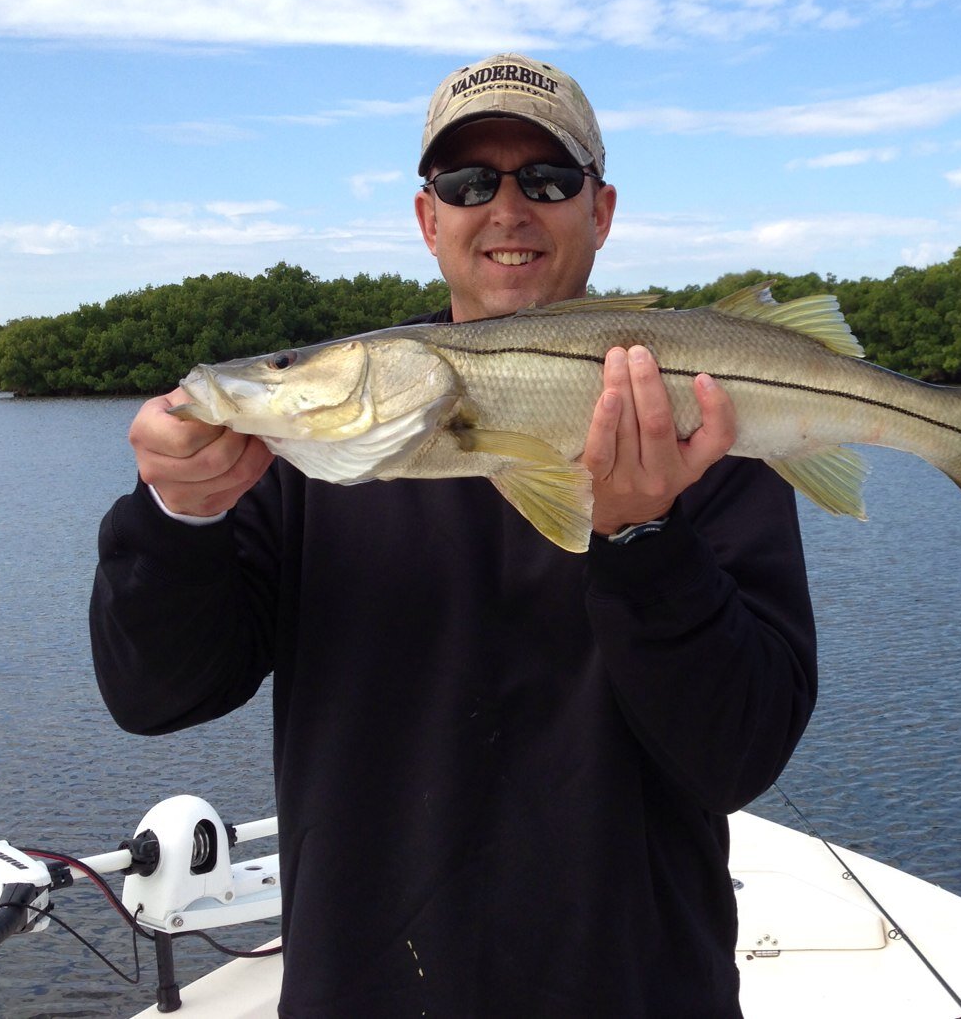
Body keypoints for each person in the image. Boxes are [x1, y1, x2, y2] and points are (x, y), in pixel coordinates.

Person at [91, 52, 817, 1018]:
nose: (507, 209)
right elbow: (155, 695)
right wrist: (179, 518)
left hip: (640, 989)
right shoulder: (308, 457)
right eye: (469, 182)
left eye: (549, 180)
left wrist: (646, 539)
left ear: (600, 212)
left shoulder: (702, 429)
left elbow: (741, 754)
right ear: (429, 217)